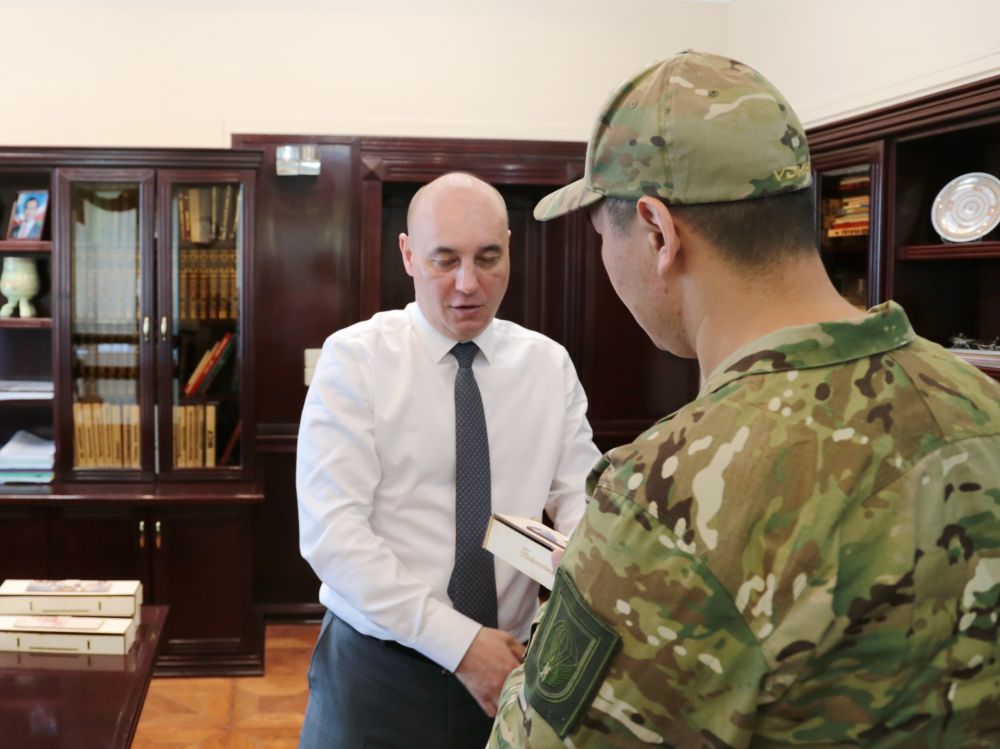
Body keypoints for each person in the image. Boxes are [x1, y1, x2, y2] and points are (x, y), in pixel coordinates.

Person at [489, 50, 1000, 748]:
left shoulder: (664, 500)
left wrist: (584, 592)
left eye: (602, 234)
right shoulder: (979, 404)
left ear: (657, 231)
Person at [296, 172, 601, 748]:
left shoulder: (547, 365)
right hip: (380, 669)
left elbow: (582, 498)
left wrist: (586, 568)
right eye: (445, 260)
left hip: (511, 663)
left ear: (509, 247)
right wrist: (458, 644)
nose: (469, 284)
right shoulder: (356, 361)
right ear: (408, 254)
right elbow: (333, 535)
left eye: (488, 258)